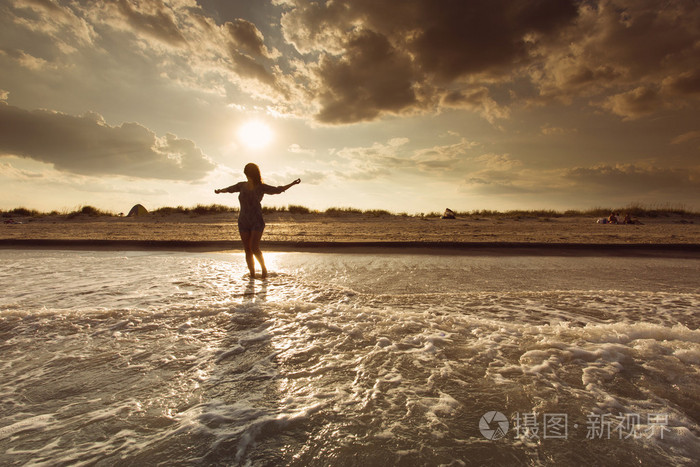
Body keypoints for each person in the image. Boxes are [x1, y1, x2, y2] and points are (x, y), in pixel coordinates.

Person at [215, 163, 301, 278]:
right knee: (247, 250)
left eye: (247, 173)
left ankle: (264, 270)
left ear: (252, 173)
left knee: (254, 248)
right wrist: (220, 191)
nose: (246, 176)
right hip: (243, 221)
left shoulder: (261, 187)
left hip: (256, 220)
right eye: (245, 173)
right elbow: (230, 189)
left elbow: (278, 190)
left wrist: (293, 183)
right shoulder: (241, 185)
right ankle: (252, 276)